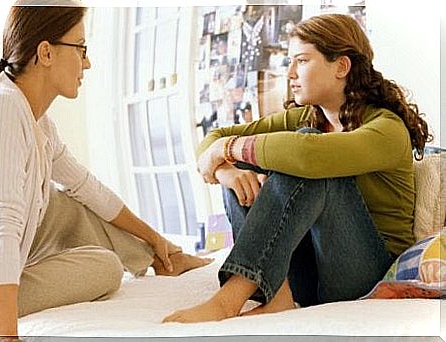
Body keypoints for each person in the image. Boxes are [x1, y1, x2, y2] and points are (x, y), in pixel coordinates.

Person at [163, 13, 432, 323]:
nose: (289, 73)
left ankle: (230, 298)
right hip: (307, 277)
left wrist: (225, 151)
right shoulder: (307, 116)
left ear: (341, 66)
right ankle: (278, 298)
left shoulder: (387, 129)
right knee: (244, 166)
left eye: (302, 61)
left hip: (365, 273)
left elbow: (309, 155)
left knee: (306, 154)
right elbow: (215, 138)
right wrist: (227, 169)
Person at [0, 0, 211, 337]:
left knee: (65, 202)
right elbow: (1, 230)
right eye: (81, 49)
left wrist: (156, 240)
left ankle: (163, 258)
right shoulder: (3, 109)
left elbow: (87, 187)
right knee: (106, 267)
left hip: (17, 240)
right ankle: (151, 258)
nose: (88, 62)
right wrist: (6, 335)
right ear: (46, 53)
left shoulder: (37, 120)